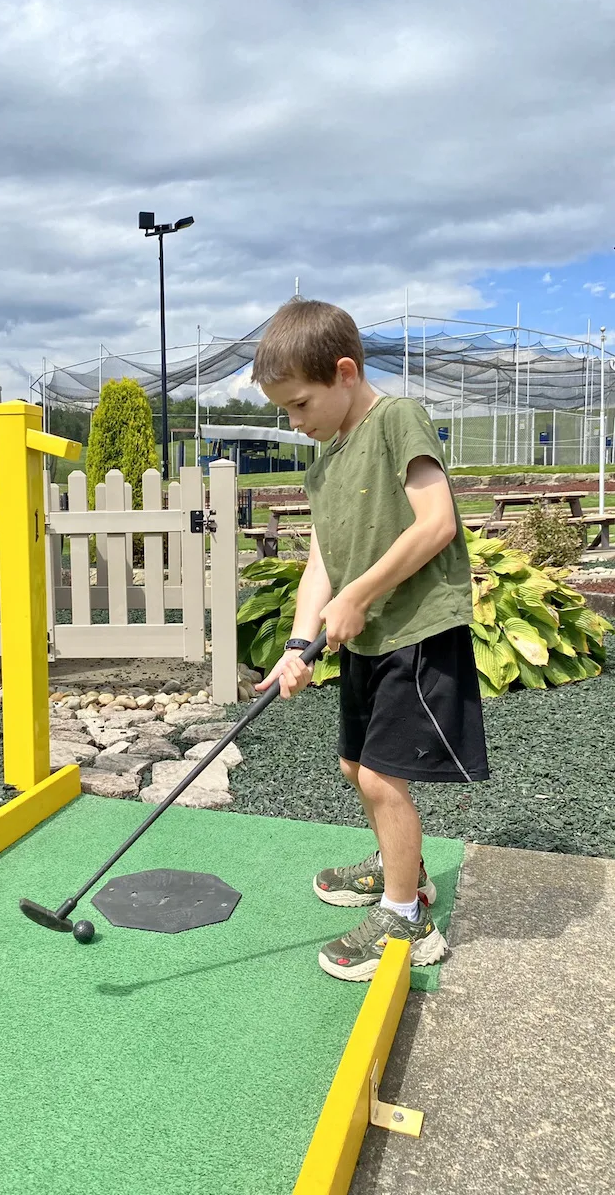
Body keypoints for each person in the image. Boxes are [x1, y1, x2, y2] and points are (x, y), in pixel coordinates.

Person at [251, 299, 489, 982]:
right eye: (285, 413)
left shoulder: (396, 419)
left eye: (301, 404)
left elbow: (437, 521)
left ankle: (406, 918)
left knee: (384, 775)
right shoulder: (324, 467)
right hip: (364, 643)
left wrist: (360, 595)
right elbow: (322, 565)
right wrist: (299, 644)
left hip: (415, 634)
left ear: (346, 372)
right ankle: (398, 866)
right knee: (355, 767)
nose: (297, 424)